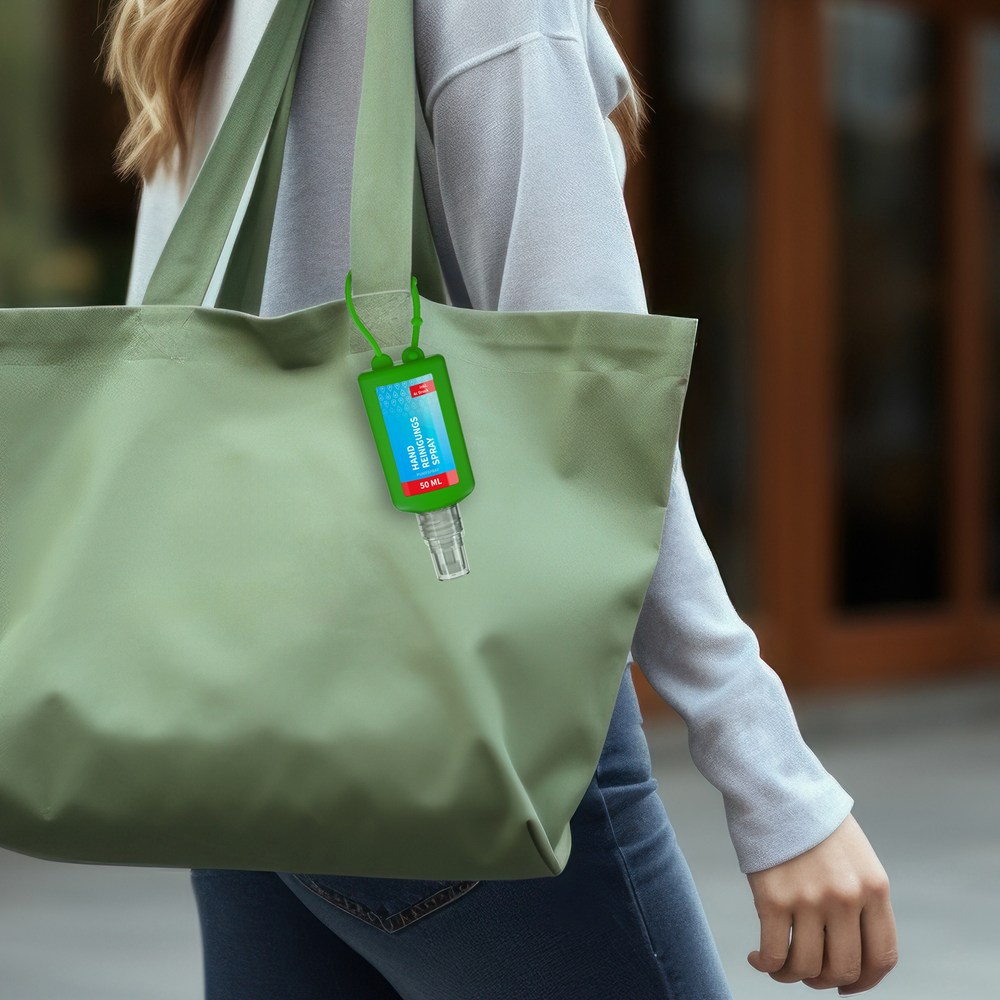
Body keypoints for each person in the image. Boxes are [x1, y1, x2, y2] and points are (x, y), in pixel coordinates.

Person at [103, 1, 899, 997]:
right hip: (454, 706)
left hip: (233, 718)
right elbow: (592, 421)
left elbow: (169, 362)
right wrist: (773, 781)